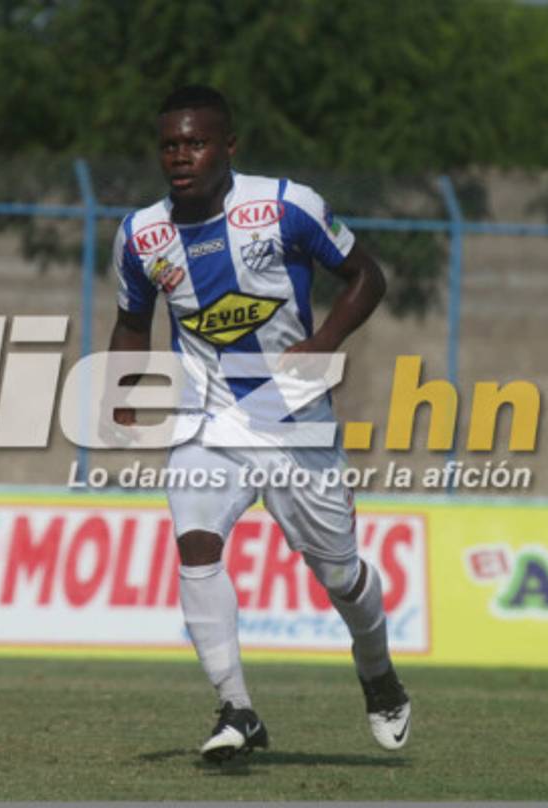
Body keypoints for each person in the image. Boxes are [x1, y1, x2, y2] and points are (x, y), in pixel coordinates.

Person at [106, 85, 410, 762]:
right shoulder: (141, 235)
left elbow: (367, 276)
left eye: (196, 142)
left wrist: (324, 341)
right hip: (207, 419)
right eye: (170, 145)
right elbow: (132, 320)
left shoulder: (284, 206)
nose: (181, 156)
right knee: (194, 544)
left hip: (296, 422)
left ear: (229, 146)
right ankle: (236, 709)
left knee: (340, 578)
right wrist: (121, 394)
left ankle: (378, 672)